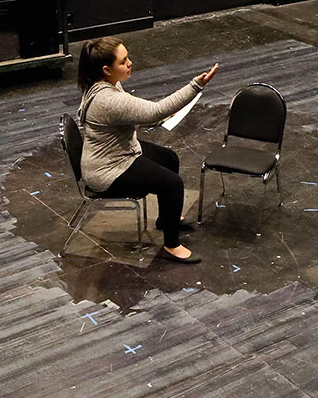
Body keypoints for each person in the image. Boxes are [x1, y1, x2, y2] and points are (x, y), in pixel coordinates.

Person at [76, 37, 218, 264]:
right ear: (106, 69)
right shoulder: (107, 99)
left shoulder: (104, 83)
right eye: (123, 61)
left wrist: (158, 115)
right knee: (172, 183)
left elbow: (136, 114)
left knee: (168, 158)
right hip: (108, 170)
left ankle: (166, 218)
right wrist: (196, 85)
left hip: (120, 152)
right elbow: (154, 111)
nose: (130, 63)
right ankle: (172, 245)